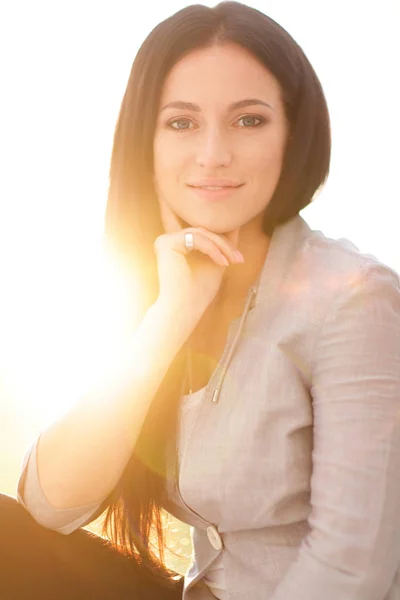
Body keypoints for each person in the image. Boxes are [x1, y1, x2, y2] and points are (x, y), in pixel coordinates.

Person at [2, 1, 400, 599]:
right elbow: (48, 505)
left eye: (248, 121)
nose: (213, 154)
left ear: (294, 133)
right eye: (182, 123)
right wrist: (169, 318)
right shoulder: (163, 287)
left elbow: (352, 573)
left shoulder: (354, 298)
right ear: (147, 141)